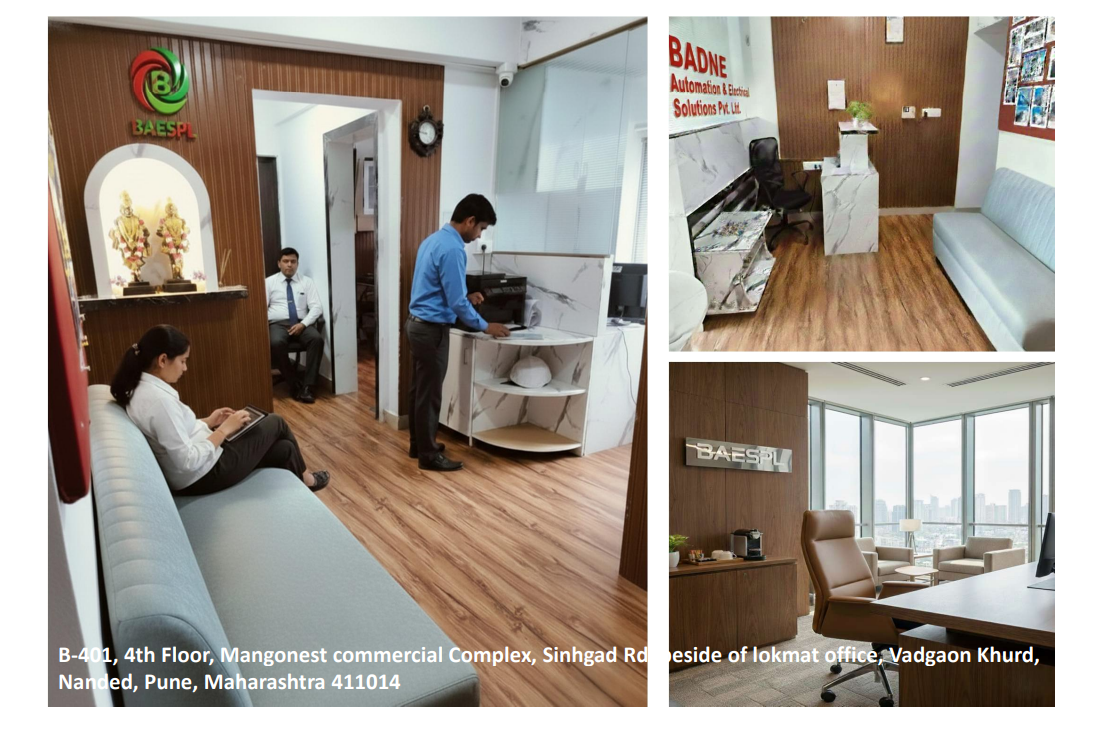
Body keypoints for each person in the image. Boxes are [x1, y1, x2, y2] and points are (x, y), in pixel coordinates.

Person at [110, 324, 330, 495]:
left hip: (201, 466)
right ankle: (308, 480)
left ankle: (301, 485)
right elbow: (186, 461)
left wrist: (208, 420)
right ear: (163, 360)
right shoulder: (159, 402)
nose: (185, 368)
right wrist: (224, 430)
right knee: (276, 422)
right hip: (202, 476)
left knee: (284, 450)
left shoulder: (140, 387)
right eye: (183, 361)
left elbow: (176, 433)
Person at [407, 194, 511, 471]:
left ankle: (419, 445)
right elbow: (454, 301)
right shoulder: (454, 249)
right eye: (482, 229)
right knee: (430, 395)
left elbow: (440, 287)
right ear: (470, 221)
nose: (479, 236)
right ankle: (428, 456)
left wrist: (467, 295)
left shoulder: (433, 240)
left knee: (420, 390)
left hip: (416, 325)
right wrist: (485, 325)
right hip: (431, 330)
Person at [266, 248, 324, 403]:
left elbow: (317, 307)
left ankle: (308, 387)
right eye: (285, 261)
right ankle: (293, 383)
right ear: (279, 263)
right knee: (276, 342)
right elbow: (261, 308)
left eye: (293, 261)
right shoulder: (269, 282)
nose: (289, 265)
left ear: (297, 264)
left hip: (301, 323)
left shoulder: (307, 282)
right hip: (277, 324)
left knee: (316, 339)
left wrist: (303, 324)